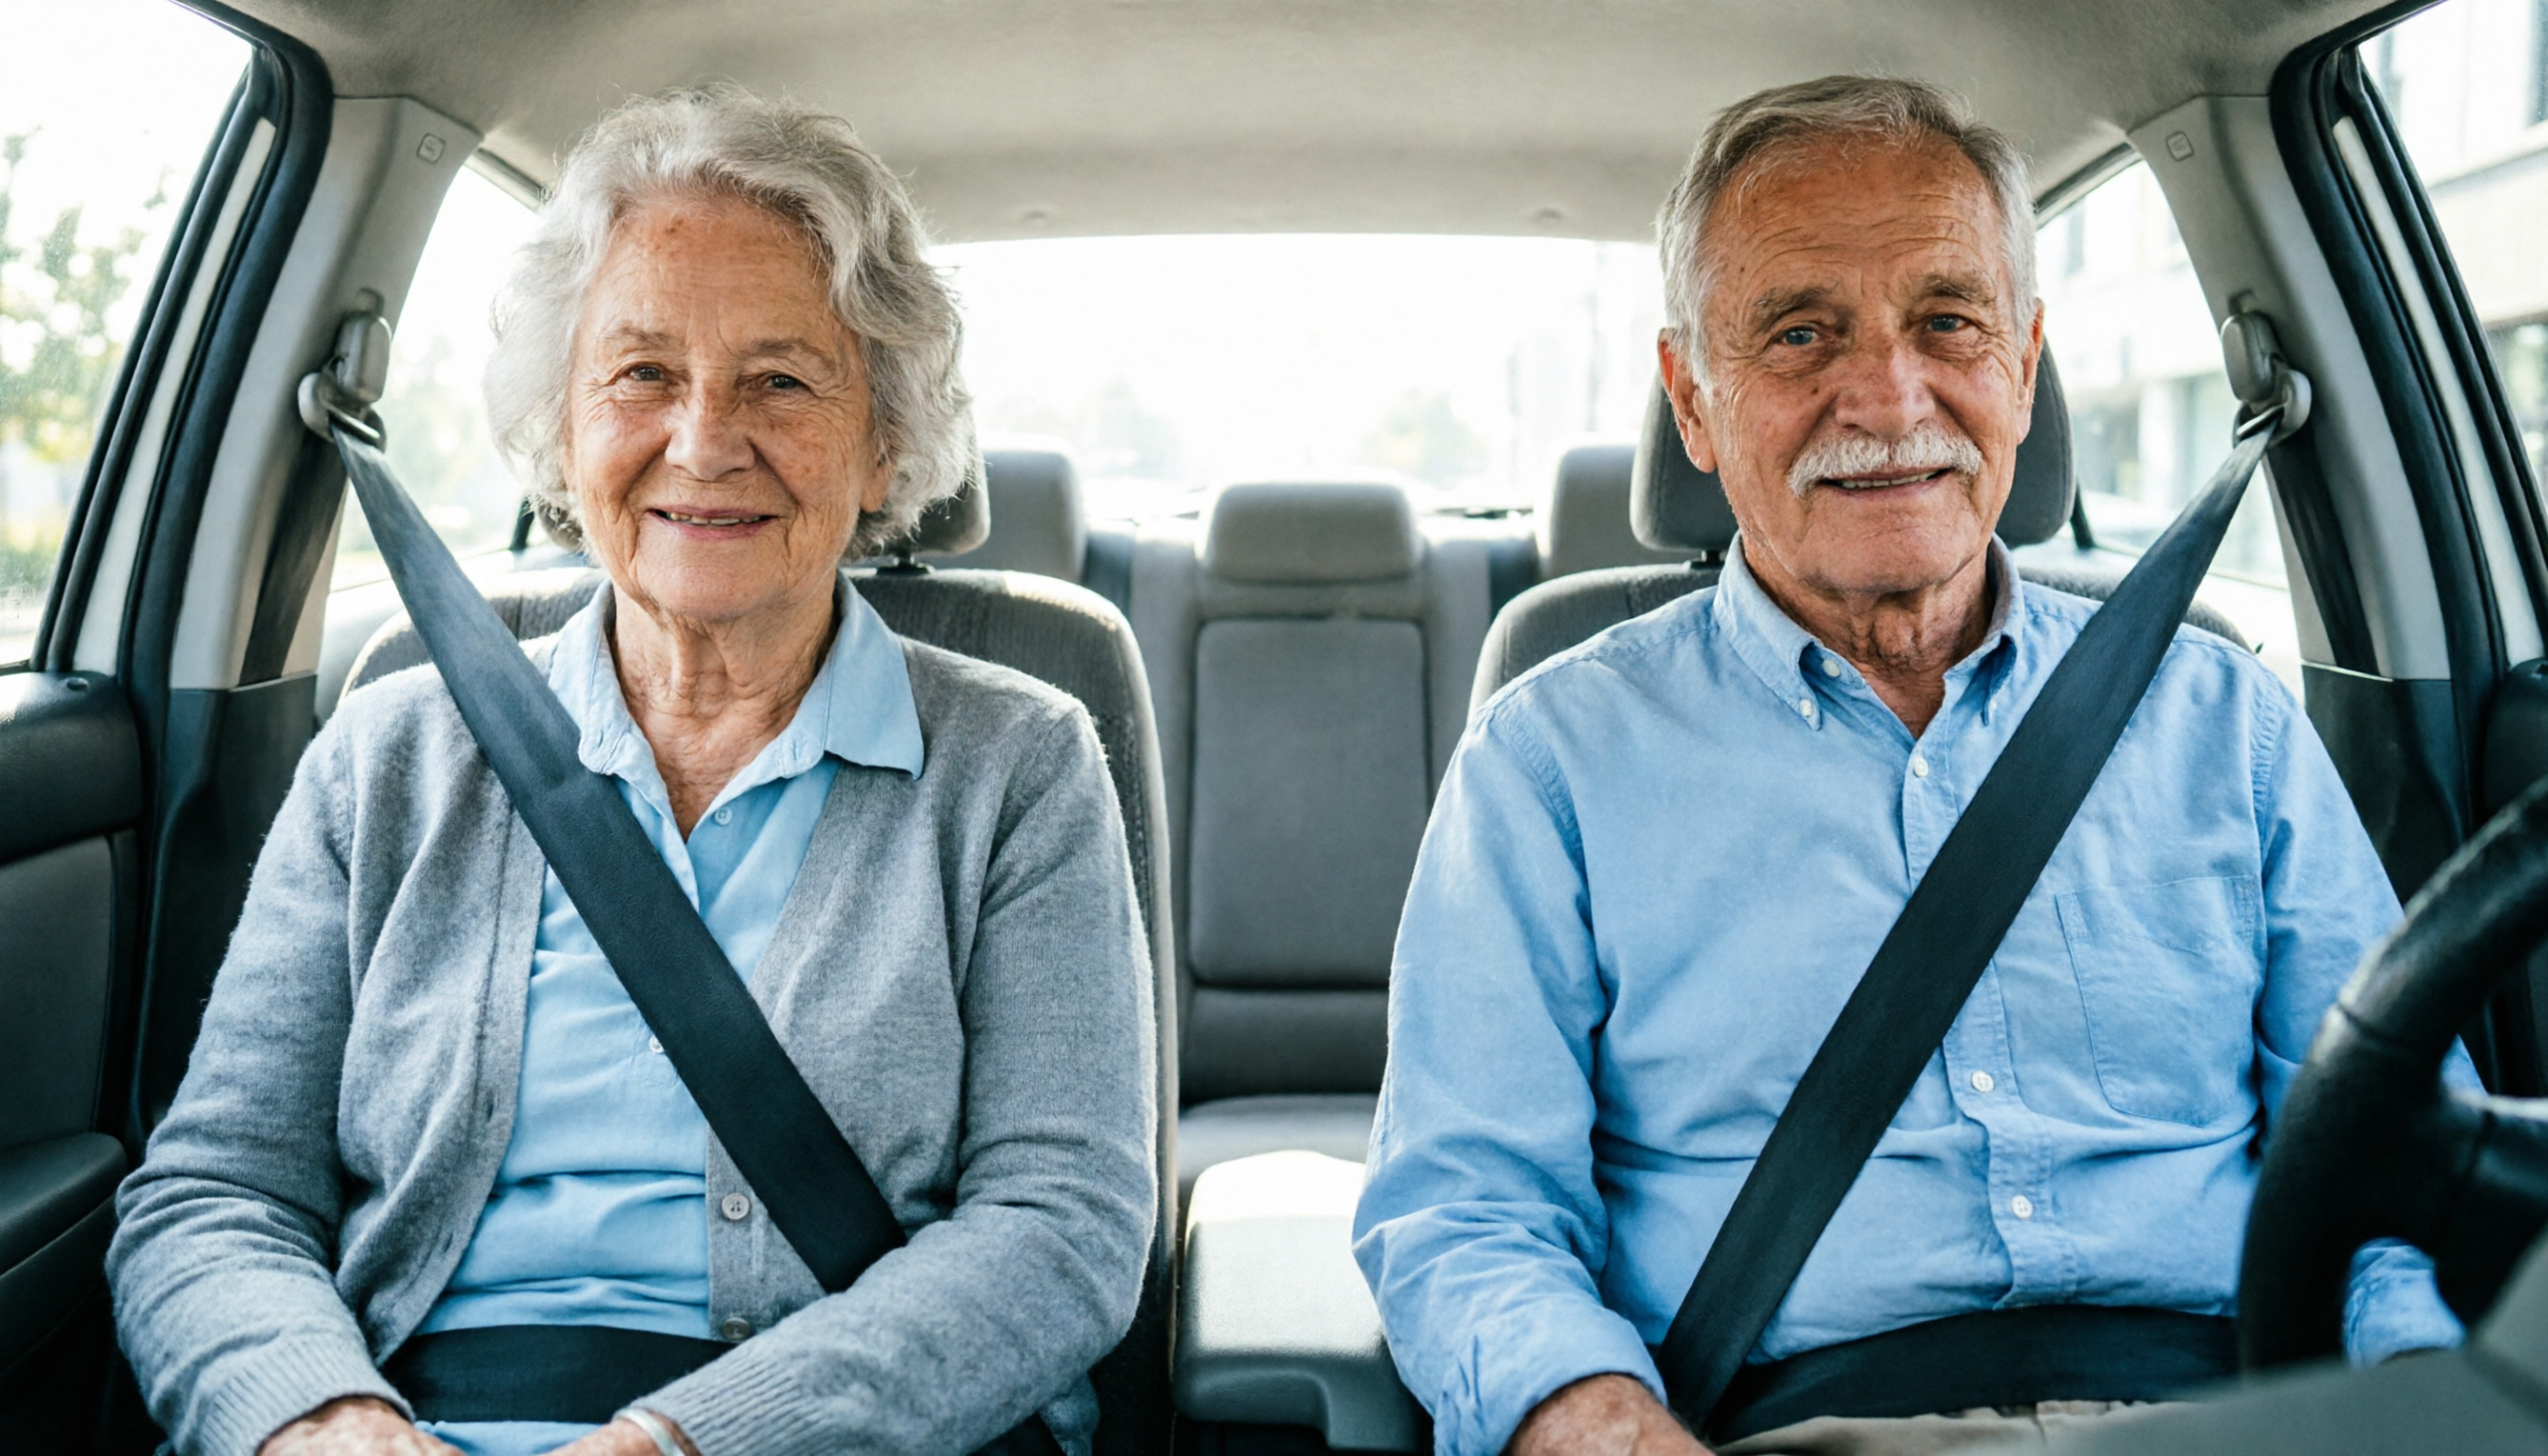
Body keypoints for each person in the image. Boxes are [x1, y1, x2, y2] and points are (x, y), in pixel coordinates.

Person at [1353, 75, 2465, 1456]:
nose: (1887, 396)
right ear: (1691, 399)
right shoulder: (1551, 763)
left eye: (1947, 321)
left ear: (2024, 363)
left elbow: (2394, 1156)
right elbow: (1468, 1212)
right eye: (1800, 333)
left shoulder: (2224, 722)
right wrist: (1603, 1424)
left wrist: (2427, 1396)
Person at [108, 88, 1157, 1456]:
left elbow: (1062, 1229)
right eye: (643, 373)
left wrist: (683, 1441)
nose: (704, 440)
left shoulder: (1017, 766)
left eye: (781, 380)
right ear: (564, 427)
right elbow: (215, 1194)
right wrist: (318, 1416)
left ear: (887, 442)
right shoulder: (390, 754)